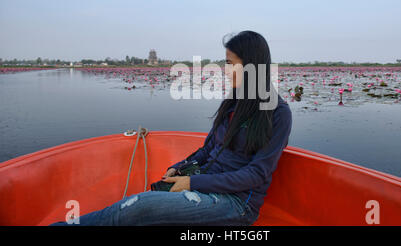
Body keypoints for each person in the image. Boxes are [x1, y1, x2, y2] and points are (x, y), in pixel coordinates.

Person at [50, 31, 292, 226]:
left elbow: (257, 174)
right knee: (150, 202)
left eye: (230, 64)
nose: (225, 71)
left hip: (237, 204)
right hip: (206, 182)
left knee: (139, 207)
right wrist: (179, 168)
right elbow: (208, 149)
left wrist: (193, 184)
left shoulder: (278, 113)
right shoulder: (234, 102)